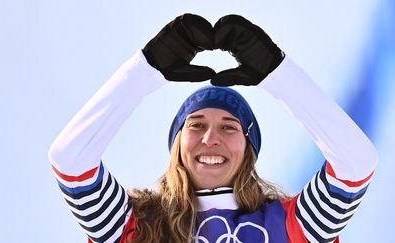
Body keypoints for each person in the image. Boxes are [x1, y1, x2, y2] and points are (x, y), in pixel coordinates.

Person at [48, 14, 378, 243]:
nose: (211, 138)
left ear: (249, 149)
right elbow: (71, 161)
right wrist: (145, 70)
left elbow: (356, 164)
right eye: (196, 124)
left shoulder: (292, 227)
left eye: (229, 127)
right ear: (177, 144)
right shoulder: (131, 226)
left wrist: (276, 73)